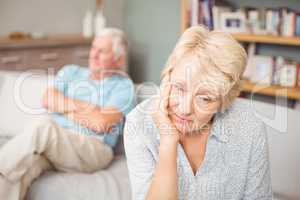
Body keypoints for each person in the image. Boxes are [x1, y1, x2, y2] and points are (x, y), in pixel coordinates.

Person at [124, 26, 272, 200]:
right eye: (179, 88)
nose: (185, 109)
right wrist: (167, 142)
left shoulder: (250, 126)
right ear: (167, 77)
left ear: (224, 101)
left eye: (205, 99)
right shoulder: (139, 124)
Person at [0, 28, 135, 200]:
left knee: (45, 126)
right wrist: (89, 109)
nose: (93, 54)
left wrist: (63, 107)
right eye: (93, 48)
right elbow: (48, 99)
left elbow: (101, 124)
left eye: (102, 51)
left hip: (93, 148)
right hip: (56, 145)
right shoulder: (71, 72)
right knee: (23, 167)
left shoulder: (123, 86)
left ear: (119, 59)